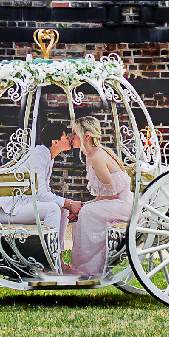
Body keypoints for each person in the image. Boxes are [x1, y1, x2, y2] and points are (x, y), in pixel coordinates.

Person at [0, 121, 81, 267]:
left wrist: (66, 205)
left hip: (20, 206)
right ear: (55, 142)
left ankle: (58, 260)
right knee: (53, 209)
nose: (69, 139)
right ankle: (48, 263)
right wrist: (69, 203)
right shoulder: (39, 156)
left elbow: (44, 191)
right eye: (66, 136)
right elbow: (41, 195)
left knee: (60, 209)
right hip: (2, 211)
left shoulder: (47, 156)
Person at [68, 115, 134, 278]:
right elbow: (106, 194)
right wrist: (87, 203)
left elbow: (111, 194)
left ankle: (91, 267)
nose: (71, 137)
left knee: (87, 212)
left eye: (74, 134)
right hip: (115, 200)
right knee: (86, 210)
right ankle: (82, 265)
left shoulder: (97, 156)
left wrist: (87, 205)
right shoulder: (90, 155)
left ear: (86, 136)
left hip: (122, 203)